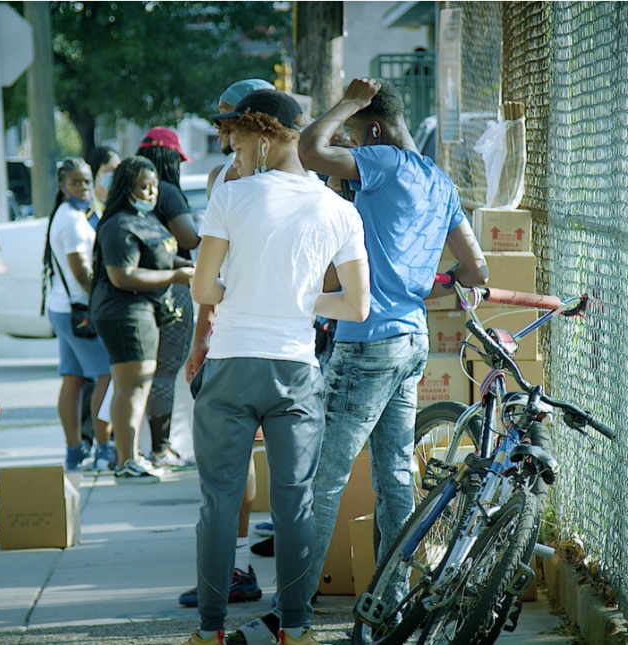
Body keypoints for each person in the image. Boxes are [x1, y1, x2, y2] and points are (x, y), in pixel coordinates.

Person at [234, 79, 487, 642]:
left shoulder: (382, 162)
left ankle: (291, 613)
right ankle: (389, 604)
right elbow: (476, 273)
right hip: (411, 342)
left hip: (366, 342)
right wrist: (422, 287)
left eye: (354, 132)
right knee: (396, 476)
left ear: (372, 130)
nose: (348, 144)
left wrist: (346, 102)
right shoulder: (439, 182)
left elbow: (308, 149)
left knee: (321, 479)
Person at [185, 88, 370, 645]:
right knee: (295, 502)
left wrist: (248, 292)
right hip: (294, 371)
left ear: (265, 138)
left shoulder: (230, 197)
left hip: (231, 365)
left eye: (236, 140)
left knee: (218, 500)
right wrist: (298, 300)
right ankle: (296, 627)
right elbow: (356, 306)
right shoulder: (339, 209)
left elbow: (201, 287)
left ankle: (211, 630)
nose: (229, 151)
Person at [179, 79, 279, 612]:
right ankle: (240, 569)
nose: (222, 130)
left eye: (229, 120)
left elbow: (207, 275)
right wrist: (200, 338)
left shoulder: (238, 181)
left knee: (229, 463)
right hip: (275, 341)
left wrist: (202, 339)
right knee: (244, 462)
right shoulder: (291, 178)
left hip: (251, 340)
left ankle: (236, 571)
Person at [90, 155, 195, 483]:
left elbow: (163, 255)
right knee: (131, 388)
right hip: (125, 314)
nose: (151, 193)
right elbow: (123, 276)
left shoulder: (145, 218)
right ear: (126, 188)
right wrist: (174, 278)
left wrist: (187, 266)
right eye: (143, 187)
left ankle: (132, 457)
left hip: (145, 311)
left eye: (153, 187)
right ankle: (126, 460)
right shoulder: (119, 224)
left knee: (139, 385)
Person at [43, 157, 115, 471]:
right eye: (76, 182)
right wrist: (101, 302)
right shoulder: (71, 220)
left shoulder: (70, 214)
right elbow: (83, 274)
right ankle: (103, 448)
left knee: (73, 379)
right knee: (106, 375)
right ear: (62, 186)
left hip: (63, 309)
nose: (84, 188)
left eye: (87, 181)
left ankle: (75, 451)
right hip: (79, 312)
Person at [137, 127, 198, 469]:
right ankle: (161, 449)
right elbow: (188, 239)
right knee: (166, 371)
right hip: (172, 290)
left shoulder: (126, 192)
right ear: (169, 158)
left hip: (137, 290)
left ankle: (142, 447)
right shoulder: (168, 191)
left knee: (143, 374)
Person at [87, 145, 121, 217]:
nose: (114, 174)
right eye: (109, 170)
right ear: (95, 174)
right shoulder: (87, 207)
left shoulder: (123, 204)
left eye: (117, 170)